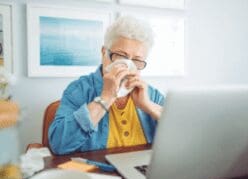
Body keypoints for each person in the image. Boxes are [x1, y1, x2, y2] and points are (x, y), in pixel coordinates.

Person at [49, 16, 164, 155]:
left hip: (144, 172)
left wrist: (149, 106)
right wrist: (106, 98)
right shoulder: (78, 90)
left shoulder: (151, 94)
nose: (128, 66)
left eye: (137, 60)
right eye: (120, 55)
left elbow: (182, 138)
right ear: (104, 53)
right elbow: (59, 145)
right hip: (99, 172)